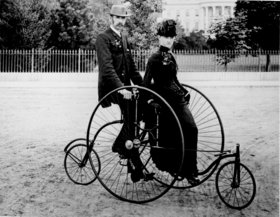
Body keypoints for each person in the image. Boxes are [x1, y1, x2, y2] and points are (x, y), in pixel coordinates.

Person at [143, 19, 199, 185]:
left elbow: (174, 80)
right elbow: (146, 84)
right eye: (166, 36)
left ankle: (189, 169)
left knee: (191, 130)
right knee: (182, 132)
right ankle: (183, 169)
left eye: (171, 37)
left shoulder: (171, 57)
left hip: (177, 101)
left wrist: (183, 90)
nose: (169, 40)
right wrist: (151, 101)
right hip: (166, 104)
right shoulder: (153, 59)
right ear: (159, 37)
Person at [95, 4, 143, 182]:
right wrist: (122, 89)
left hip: (124, 87)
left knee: (139, 112)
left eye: (123, 18)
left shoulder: (123, 37)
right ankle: (131, 159)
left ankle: (123, 147)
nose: (121, 21)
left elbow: (130, 66)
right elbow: (107, 69)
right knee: (131, 115)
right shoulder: (103, 38)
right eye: (118, 18)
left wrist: (143, 85)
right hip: (111, 88)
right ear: (111, 18)